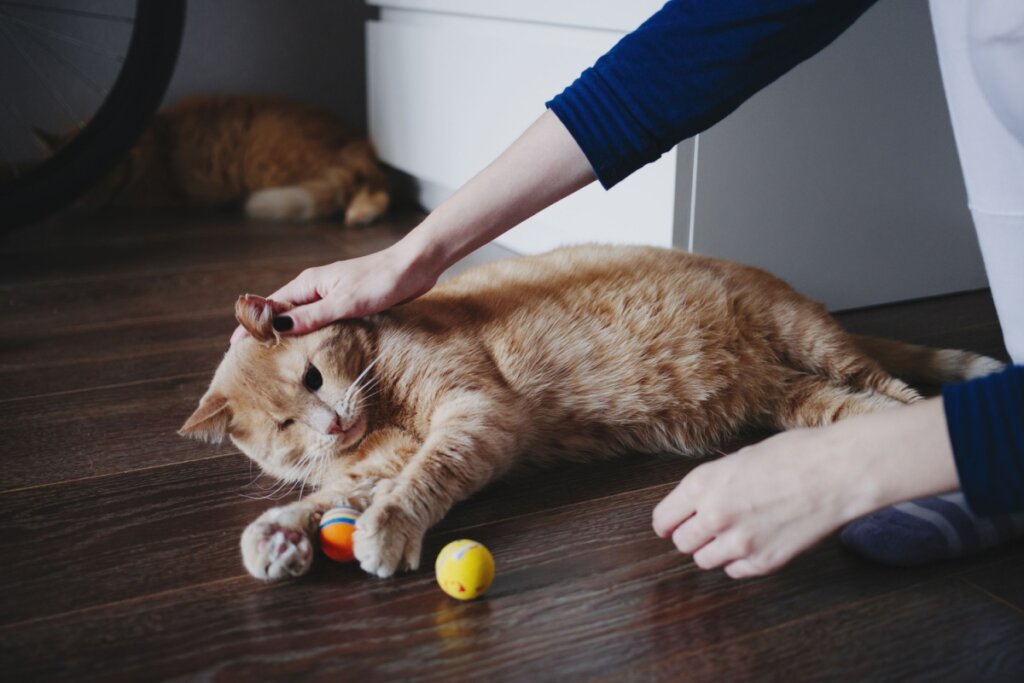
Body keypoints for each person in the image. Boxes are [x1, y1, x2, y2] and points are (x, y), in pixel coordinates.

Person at [234, 0, 1024, 577]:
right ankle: (964, 426)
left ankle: (954, 444)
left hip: (706, 312)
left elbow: (477, 417)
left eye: (312, 384)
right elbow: (704, 42)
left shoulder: (404, 360)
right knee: (793, 395)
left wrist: (841, 468)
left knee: (832, 365)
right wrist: (418, 251)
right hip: (710, 390)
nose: (327, 417)